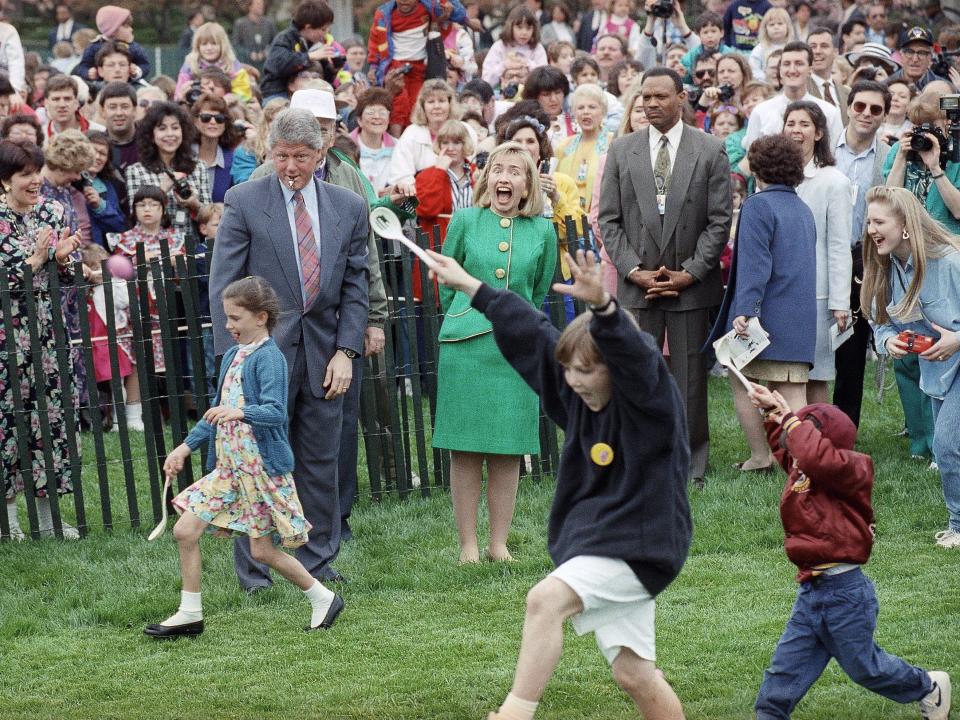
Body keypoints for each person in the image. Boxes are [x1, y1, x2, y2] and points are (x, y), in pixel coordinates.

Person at [428, 248, 690, 720]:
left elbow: (639, 359)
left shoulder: (651, 407)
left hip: (643, 545)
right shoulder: (575, 398)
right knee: (635, 675)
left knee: (545, 600)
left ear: (615, 370)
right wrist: (471, 286)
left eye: (588, 371)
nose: (575, 381)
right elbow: (532, 335)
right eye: (570, 370)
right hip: (605, 545)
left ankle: (514, 714)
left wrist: (606, 311)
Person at [210, 107, 370, 588]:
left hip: (325, 353)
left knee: (321, 460)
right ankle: (256, 572)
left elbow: (356, 286)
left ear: (321, 154)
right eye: (282, 156)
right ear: (269, 152)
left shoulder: (349, 205)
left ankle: (319, 561)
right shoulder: (243, 200)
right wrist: (236, 359)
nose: (291, 167)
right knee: (253, 460)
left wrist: (347, 351)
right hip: (261, 357)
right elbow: (226, 284)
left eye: (302, 156)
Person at [145, 276, 344, 638]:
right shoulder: (234, 357)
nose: (228, 325)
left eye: (235, 318)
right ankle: (190, 613)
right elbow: (216, 414)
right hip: (230, 470)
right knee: (185, 529)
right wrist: (184, 448)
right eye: (226, 317)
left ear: (261, 317)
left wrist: (240, 412)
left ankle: (323, 597)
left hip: (260, 471)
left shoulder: (270, 359)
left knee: (264, 551)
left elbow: (274, 412)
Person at [747, 382, 952, 720]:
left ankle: (928, 686)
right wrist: (773, 413)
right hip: (812, 592)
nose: (794, 436)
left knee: (866, 669)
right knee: (783, 674)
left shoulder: (852, 468)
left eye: (803, 429)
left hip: (845, 595)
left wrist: (791, 420)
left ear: (825, 439)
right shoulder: (807, 468)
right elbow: (789, 451)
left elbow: (813, 454)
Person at [599, 67, 731, 486]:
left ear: (682, 98)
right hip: (638, 287)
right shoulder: (622, 150)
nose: (651, 104)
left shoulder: (710, 150)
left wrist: (689, 274)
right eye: (645, 98)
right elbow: (609, 220)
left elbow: (718, 222)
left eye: (660, 97)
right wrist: (633, 271)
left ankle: (690, 463)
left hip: (689, 288)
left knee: (690, 379)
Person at [432, 141, 557, 564]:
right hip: (465, 350)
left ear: (527, 185)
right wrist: (465, 320)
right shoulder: (465, 220)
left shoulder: (542, 230)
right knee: (465, 448)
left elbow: (538, 291)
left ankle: (498, 544)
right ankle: (467, 546)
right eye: (497, 170)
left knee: (508, 448)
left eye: (515, 172)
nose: (504, 178)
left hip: (516, 352)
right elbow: (446, 281)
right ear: (486, 180)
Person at [707, 135, 817, 463]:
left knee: (743, 382)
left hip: (765, 315)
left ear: (757, 169)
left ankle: (760, 456)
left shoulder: (757, 205)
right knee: (794, 390)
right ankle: (807, 459)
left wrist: (746, 310)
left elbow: (757, 265)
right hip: (800, 315)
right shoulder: (803, 208)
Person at [863, 186, 960, 549]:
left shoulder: (949, 262)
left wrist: (957, 339)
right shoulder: (887, 267)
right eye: (868, 221)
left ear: (905, 226)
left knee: (948, 444)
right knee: (948, 447)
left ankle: (958, 526)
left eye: (879, 221)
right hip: (939, 373)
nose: (871, 229)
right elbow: (881, 321)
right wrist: (891, 341)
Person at [0, 140, 82, 541]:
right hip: (4, 337)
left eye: (37, 171)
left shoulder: (53, 211)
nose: (35, 181)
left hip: (49, 333)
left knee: (50, 421)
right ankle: (9, 521)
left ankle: (49, 519)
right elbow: (7, 279)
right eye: (24, 175)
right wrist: (35, 259)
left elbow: (68, 278)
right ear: (4, 181)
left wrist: (63, 259)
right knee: (8, 425)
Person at [784, 101, 852, 406]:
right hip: (779, 292)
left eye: (804, 124)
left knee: (816, 375)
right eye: (791, 123)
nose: (796, 130)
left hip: (817, 294)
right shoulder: (771, 177)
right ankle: (786, 446)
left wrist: (840, 302)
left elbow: (839, 244)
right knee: (782, 374)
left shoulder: (833, 181)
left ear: (819, 133)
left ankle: (819, 446)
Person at [832, 80, 891, 429]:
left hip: (865, 258)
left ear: (884, 116)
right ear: (849, 107)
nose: (866, 114)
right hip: (823, 254)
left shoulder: (887, 156)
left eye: (875, 109)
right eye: (860, 106)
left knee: (852, 351)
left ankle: (843, 429)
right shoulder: (824, 149)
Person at [109, 184, 186, 374]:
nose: (147, 209)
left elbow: (184, 276)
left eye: (153, 205)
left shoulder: (176, 238)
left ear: (163, 208)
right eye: (142, 205)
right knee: (139, 367)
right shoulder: (123, 240)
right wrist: (137, 261)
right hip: (134, 310)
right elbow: (116, 276)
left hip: (168, 309)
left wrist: (178, 263)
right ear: (134, 210)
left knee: (172, 363)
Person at [366, 0, 476, 132]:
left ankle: (416, 137)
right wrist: (373, 66)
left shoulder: (430, 7)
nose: (404, 3)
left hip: (419, 67)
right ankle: (395, 140)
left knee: (416, 103)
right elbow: (374, 40)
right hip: (395, 65)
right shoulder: (383, 14)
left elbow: (452, 12)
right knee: (399, 100)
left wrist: (466, 20)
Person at [125, 101, 211, 244]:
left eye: (175, 128)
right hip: (153, 249)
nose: (170, 134)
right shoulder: (136, 171)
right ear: (151, 135)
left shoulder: (199, 167)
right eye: (162, 128)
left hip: (190, 248)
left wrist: (194, 204)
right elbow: (136, 216)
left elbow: (209, 217)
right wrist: (161, 191)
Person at [743, 41, 844, 154]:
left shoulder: (829, 112)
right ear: (780, 70)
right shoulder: (761, 111)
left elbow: (835, 155)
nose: (792, 70)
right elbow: (751, 156)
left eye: (799, 63)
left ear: (810, 70)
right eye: (786, 64)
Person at [386, 79, 460, 186]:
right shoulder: (411, 134)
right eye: (431, 102)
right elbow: (400, 176)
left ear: (450, 104)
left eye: (441, 101)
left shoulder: (464, 130)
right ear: (423, 106)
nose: (437, 106)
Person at [261, 0, 338, 102]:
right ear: (308, 27)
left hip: (309, 93)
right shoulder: (285, 38)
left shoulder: (316, 43)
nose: (326, 32)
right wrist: (310, 56)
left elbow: (325, 78)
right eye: (323, 29)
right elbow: (277, 64)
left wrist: (332, 69)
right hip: (278, 93)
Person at [555, 83, 611, 213]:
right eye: (580, 108)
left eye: (592, 107)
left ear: (603, 111)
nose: (586, 112)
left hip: (601, 217)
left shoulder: (614, 143)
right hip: (568, 218)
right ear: (574, 113)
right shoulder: (564, 146)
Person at [175, 22, 253, 103]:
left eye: (214, 43)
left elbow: (243, 94)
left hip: (226, 106)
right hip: (196, 105)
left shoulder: (232, 65)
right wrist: (183, 95)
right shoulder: (191, 64)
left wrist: (227, 98)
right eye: (204, 44)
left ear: (222, 45)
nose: (209, 48)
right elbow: (178, 94)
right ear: (198, 46)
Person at [73, 5, 151, 83]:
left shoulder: (133, 47)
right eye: (126, 27)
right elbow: (83, 66)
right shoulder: (94, 47)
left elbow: (144, 64)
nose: (131, 29)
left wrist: (137, 71)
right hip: (101, 86)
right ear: (113, 30)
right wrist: (88, 73)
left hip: (129, 85)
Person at [191, 92, 242, 203]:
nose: (213, 122)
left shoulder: (234, 159)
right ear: (195, 121)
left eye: (219, 118)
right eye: (206, 118)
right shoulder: (183, 156)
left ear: (225, 123)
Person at [482, 5, 548, 88]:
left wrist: (527, 63)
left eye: (528, 28)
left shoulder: (537, 48)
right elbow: (486, 79)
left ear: (534, 29)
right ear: (511, 26)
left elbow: (545, 79)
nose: (524, 32)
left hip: (530, 95)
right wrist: (504, 65)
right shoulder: (499, 46)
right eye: (519, 27)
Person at [83, 130, 128, 249]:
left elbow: (120, 226)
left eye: (102, 153)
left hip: (99, 252)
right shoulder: (68, 181)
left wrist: (100, 206)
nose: (97, 157)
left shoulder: (107, 186)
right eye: (92, 151)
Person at [350, 87, 396, 195]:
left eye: (382, 113)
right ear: (359, 120)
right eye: (370, 113)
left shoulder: (399, 147)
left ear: (388, 119)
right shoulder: (346, 146)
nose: (377, 117)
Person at [805, 26, 851, 126]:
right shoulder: (800, 89)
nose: (817, 51)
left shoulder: (848, 93)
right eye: (813, 47)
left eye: (824, 46)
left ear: (835, 52)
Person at [889, 26, 947, 91]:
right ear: (901, 55)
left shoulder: (946, 90)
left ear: (930, 57)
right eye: (909, 52)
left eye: (922, 53)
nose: (915, 59)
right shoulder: (886, 87)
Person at [98, 81, 139, 170]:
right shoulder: (97, 147)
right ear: (102, 111)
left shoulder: (150, 142)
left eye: (125, 107)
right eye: (112, 107)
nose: (119, 113)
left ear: (135, 110)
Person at [749, 7, 794, 81]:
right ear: (765, 29)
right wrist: (766, 79)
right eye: (771, 25)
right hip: (765, 86)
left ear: (788, 26)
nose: (776, 27)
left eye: (780, 23)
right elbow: (753, 69)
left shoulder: (793, 48)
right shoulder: (760, 49)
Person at [232, 0, 277, 68]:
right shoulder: (240, 24)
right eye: (258, 4)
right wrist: (249, 54)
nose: (261, 6)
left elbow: (275, 43)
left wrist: (266, 52)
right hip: (247, 67)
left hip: (265, 67)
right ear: (250, 6)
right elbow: (235, 45)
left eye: (262, 4)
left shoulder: (269, 24)